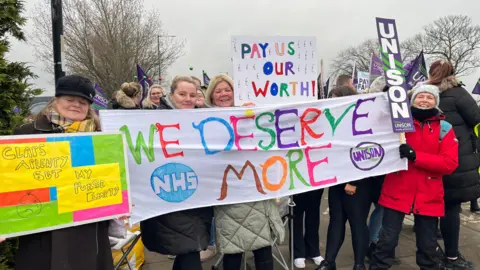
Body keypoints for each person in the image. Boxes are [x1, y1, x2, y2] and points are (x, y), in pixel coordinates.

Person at [12, 75, 114, 270]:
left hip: (89, 226)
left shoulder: (102, 136)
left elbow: (112, 177)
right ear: (56, 100)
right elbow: (13, 179)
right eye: (70, 99)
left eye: (82, 102)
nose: (76, 104)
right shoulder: (27, 132)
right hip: (43, 227)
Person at [370, 84, 459, 270]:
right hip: (397, 190)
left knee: (428, 247)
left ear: (436, 102)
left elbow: (449, 163)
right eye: (421, 96)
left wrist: (416, 156)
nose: (425, 100)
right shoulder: (397, 125)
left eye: (429, 97)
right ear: (412, 99)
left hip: (429, 195)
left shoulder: (445, 129)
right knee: (385, 243)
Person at [204, 74, 285, 270]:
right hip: (228, 198)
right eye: (219, 90)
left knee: (263, 247)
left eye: (227, 89)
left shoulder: (249, 113)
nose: (224, 94)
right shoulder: (206, 121)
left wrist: (252, 113)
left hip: (254, 193)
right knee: (233, 250)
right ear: (212, 96)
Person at [140, 76, 213, 270]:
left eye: (192, 94)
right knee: (189, 252)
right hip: (171, 200)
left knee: (188, 251)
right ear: (171, 95)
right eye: (182, 94)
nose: (187, 99)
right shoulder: (152, 121)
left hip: (198, 200)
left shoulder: (205, 120)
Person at [430, 60, 480, 269]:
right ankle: (451, 256)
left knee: (429, 207)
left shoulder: (423, 94)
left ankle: (429, 251)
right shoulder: (459, 94)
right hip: (455, 161)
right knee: (451, 208)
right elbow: (476, 119)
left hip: (429, 160)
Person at [318, 86, 370, 270]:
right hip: (337, 180)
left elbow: (366, 151)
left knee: (357, 223)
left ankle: (359, 264)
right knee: (336, 222)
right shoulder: (333, 120)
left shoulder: (361, 120)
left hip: (357, 183)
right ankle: (329, 261)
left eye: (335, 98)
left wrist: (354, 181)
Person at [363, 77, 401, 265]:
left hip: (390, 167)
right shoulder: (368, 110)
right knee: (370, 209)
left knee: (383, 207)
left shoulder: (401, 112)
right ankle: (368, 243)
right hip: (368, 168)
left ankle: (376, 243)